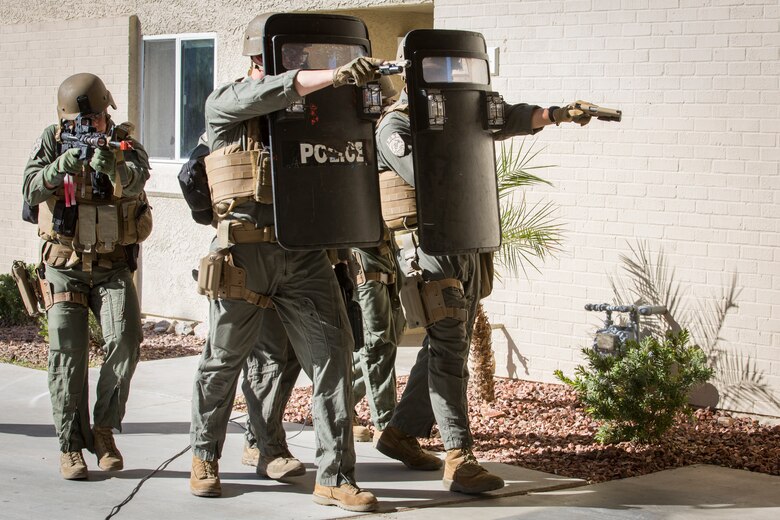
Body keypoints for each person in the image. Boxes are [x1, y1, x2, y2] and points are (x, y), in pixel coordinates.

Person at [373, 45, 592, 494]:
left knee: (442, 343)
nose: (449, 80)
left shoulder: (456, 118)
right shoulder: (394, 127)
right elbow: (428, 175)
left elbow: (508, 118)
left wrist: (556, 114)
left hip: (468, 246)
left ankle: (400, 433)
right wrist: (467, 130)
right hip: (428, 250)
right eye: (439, 70)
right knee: (451, 346)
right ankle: (460, 457)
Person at [188, 14, 382, 513]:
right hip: (244, 253)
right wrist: (335, 75)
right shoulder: (226, 101)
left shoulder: (313, 107)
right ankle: (205, 456)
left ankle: (334, 476)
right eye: (292, 57)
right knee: (223, 360)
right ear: (261, 56)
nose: (302, 66)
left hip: (305, 255)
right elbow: (276, 91)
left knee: (332, 358)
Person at [22, 73, 152, 480]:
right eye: (79, 122)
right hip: (64, 267)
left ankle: (103, 430)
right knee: (67, 355)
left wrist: (114, 165)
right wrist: (59, 167)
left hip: (112, 266)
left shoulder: (123, 141)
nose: (88, 127)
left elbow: (139, 177)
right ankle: (70, 446)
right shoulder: (52, 140)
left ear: (105, 114)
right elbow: (28, 189)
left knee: (126, 341)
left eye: (94, 119)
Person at [350, 77, 405, 444]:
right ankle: (389, 425)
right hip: (362, 252)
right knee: (378, 341)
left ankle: (339, 397)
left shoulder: (381, 142)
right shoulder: (351, 146)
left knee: (391, 333)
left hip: (389, 249)